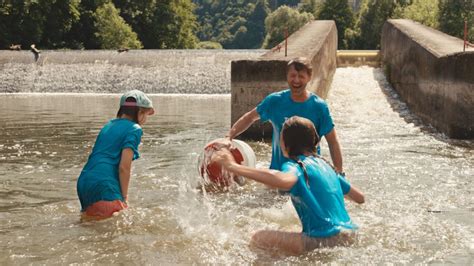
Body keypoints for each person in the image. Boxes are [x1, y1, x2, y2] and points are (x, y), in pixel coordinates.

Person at [214, 116, 364, 255]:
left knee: (258, 238)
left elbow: (285, 180)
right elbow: (359, 198)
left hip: (323, 241)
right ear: (315, 142)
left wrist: (232, 166)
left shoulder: (296, 165)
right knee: (287, 231)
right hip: (350, 234)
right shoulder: (327, 166)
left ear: (285, 144)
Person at [226, 58, 344, 174]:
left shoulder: (319, 107)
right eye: (292, 75)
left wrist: (340, 173)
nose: (296, 80)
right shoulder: (274, 101)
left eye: (301, 76)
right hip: (278, 172)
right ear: (287, 76)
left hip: (309, 173)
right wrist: (229, 137)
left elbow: (332, 142)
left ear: (309, 78)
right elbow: (249, 118)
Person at [76, 90, 155, 219]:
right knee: (115, 230)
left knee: (90, 227)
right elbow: (124, 167)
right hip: (104, 184)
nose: (145, 119)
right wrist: (124, 198)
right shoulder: (134, 129)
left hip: (84, 182)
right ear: (139, 112)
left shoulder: (108, 125)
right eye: (146, 114)